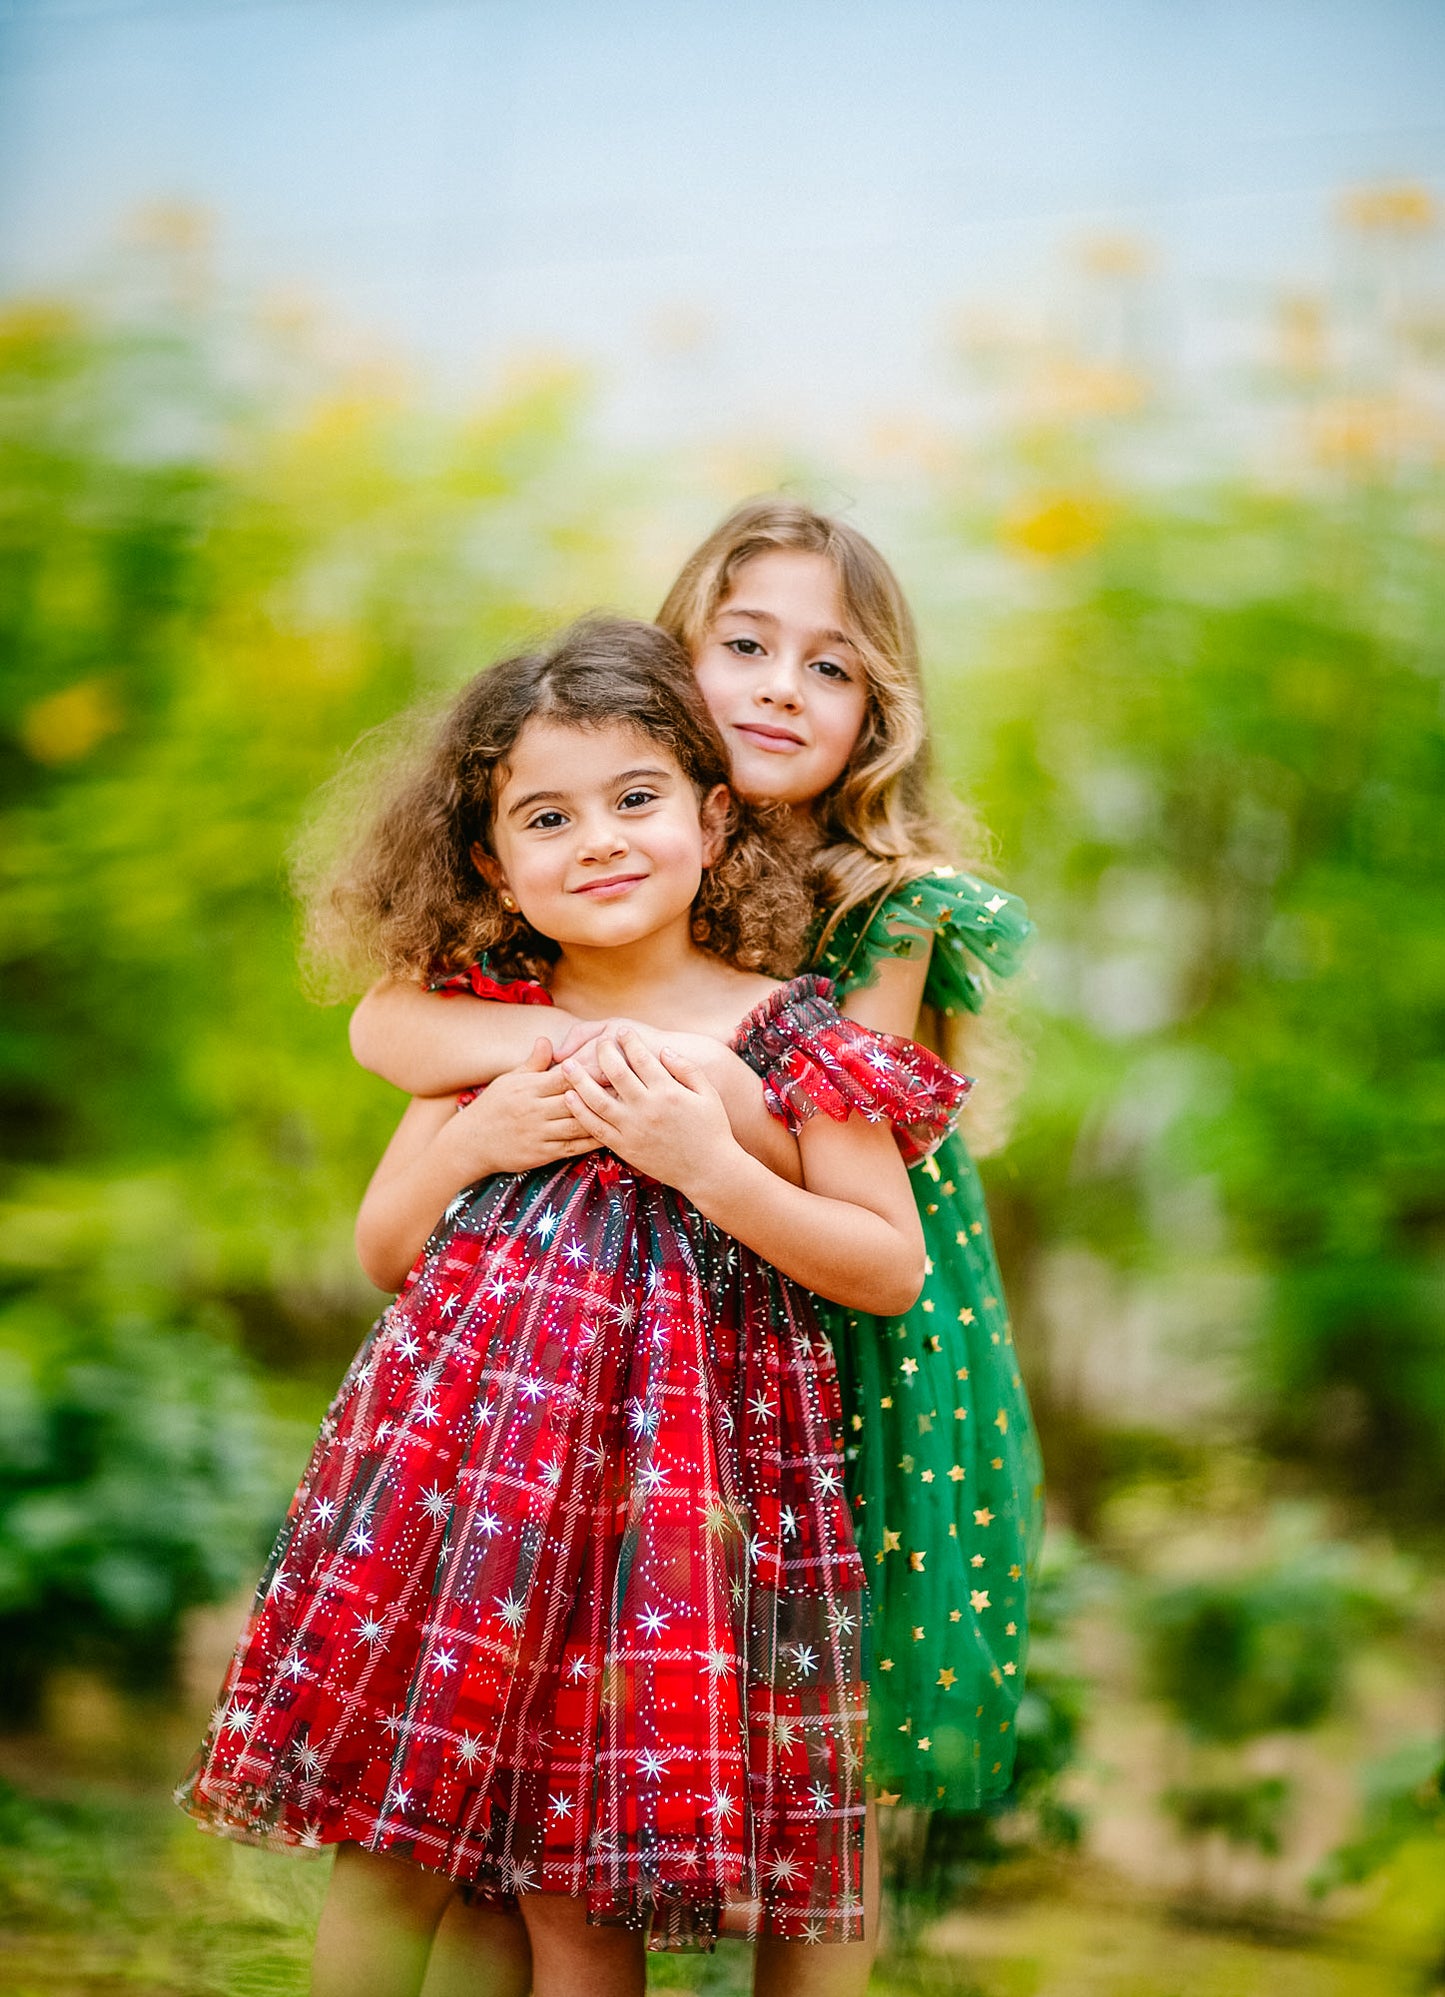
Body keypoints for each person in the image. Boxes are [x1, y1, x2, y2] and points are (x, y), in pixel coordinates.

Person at [178, 615, 971, 1997]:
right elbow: (384, 1246)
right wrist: (484, 1137)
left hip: (688, 1515)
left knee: (581, 1888)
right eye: (547, 815)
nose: (597, 837)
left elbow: (885, 1263)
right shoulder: (482, 1020)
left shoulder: (795, 1035)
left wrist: (710, 1162)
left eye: (636, 798)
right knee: (397, 1841)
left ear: (715, 821)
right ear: (492, 860)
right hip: (471, 1496)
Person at [351, 501, 1044, 1993]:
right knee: (561, 1732)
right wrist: (611, 1044)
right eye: (745, 644)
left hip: (859, 1338)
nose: (782, 686)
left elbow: (833, 1164)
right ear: (675, 653)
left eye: (831, 665)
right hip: (653, 1335)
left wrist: (707, 1092)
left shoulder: (885, 904)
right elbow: (387, 1025)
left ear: (876, 712)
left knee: (814, 1745)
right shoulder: (600, 848)